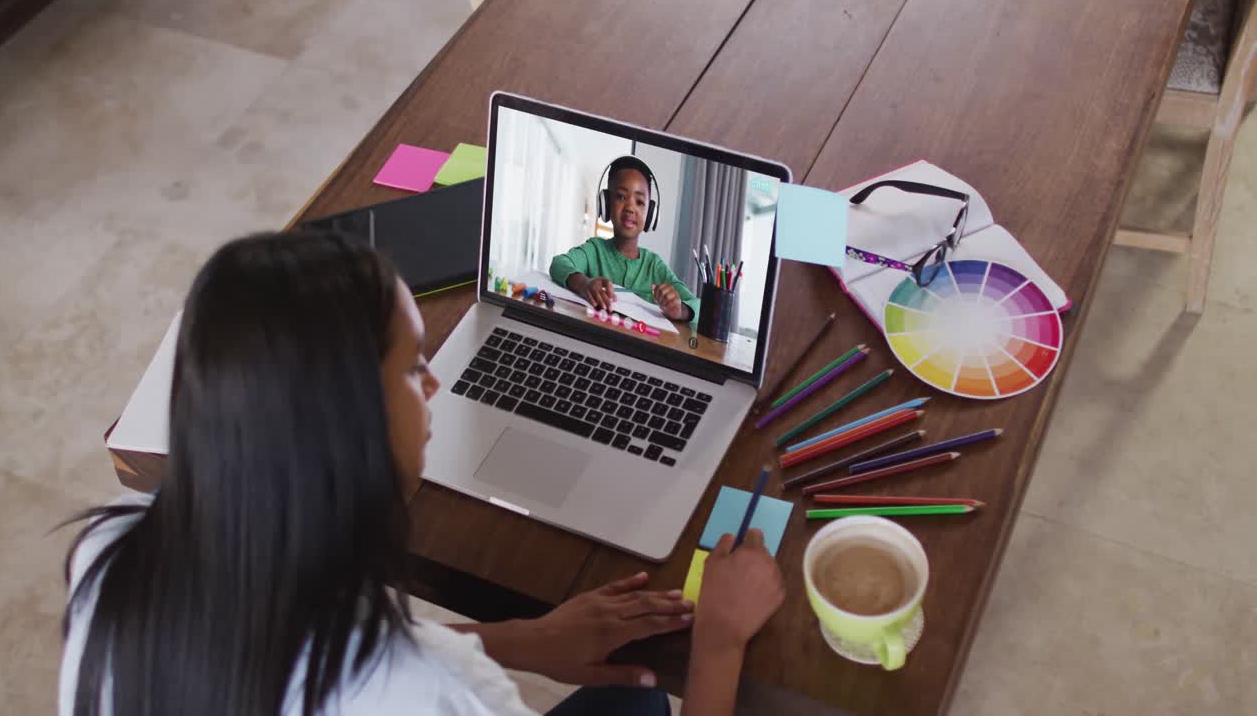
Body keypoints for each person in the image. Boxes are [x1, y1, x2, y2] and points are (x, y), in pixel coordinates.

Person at [59, 231, 785, 716]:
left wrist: (519, 640)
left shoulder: (111, 553)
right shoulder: (433, 696)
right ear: (352, 429)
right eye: (412, 367)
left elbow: (309, 654)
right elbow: (400, 678)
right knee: (644, 698)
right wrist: (719, 644)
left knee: (631, 698)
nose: (436, 380)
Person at [549, 157, 700, 323]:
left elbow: (698, 306)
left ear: (651, 213)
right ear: (606, 203)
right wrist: (584, 284)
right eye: (621, 197)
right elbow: (559, 263)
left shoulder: (654, 266)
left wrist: (680, 310)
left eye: (640, 202)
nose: (630, 208)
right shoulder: (594, 249)